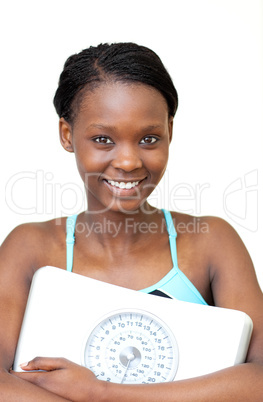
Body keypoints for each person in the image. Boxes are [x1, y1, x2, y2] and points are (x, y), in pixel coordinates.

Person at [0, 42, 262, 401]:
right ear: (67, 134)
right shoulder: (30, 247)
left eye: (149, 139)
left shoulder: (210, 242)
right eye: (103, 139)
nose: (127, 161)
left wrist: (100, 392)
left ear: (170, 131)